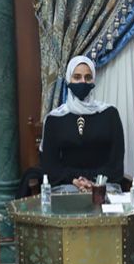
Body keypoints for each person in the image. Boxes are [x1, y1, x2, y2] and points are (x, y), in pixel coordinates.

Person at [40, 55, 125, 193]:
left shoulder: (110, 114)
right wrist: (74, 180)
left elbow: (116, 164)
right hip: (67, 185)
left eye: (88, 77)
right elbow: (50, 167)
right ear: (69, 79)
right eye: (77, 77)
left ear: (93, 80)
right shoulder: (54, 119)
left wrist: (94, 182)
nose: (83, 82)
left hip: (103, 185)